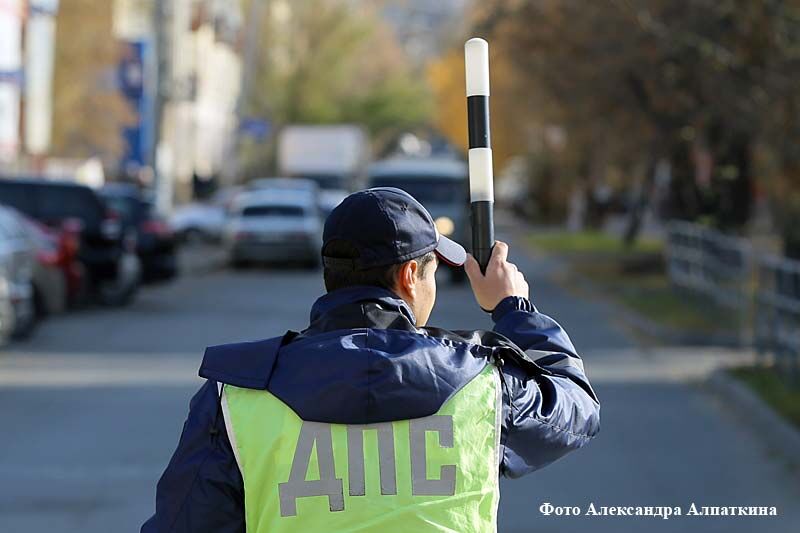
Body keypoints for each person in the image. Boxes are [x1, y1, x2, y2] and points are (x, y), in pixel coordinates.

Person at [142, 187, 600, 533]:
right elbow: (576, 406)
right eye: (433, 273)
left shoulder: (237, 393)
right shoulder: (483, 381)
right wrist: (514, 310)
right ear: (408, 276)